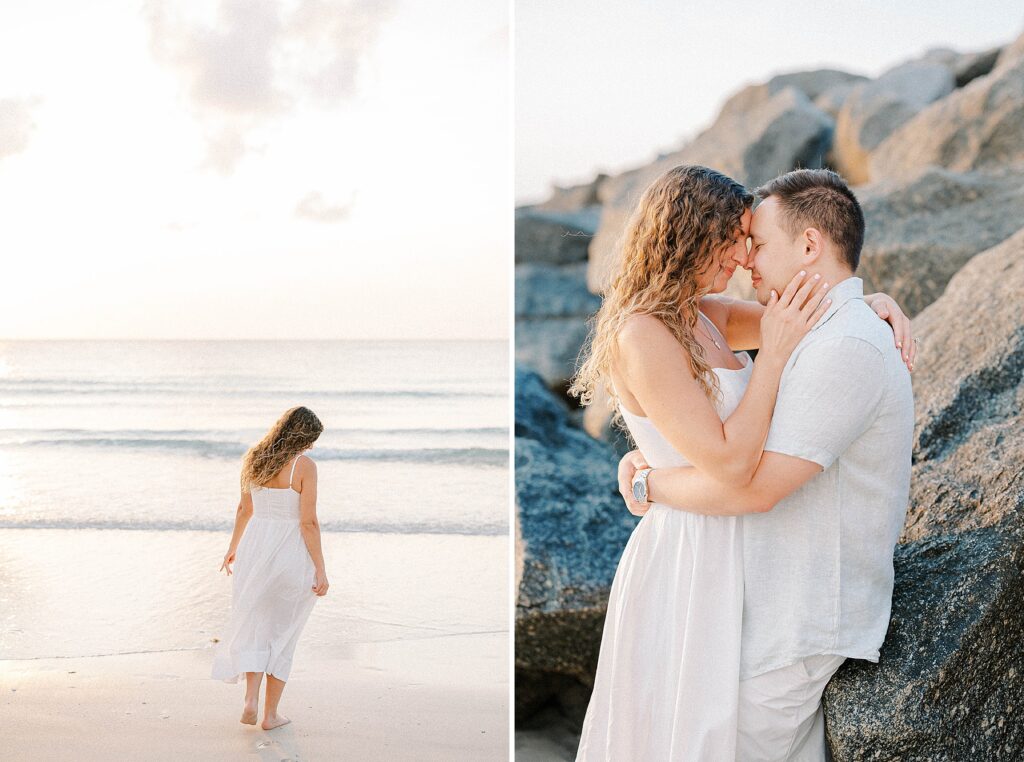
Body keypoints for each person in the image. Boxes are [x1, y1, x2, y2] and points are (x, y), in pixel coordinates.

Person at [569, 164, 914, 760]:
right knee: (683, 733)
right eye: (731, 239)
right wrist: (772, 361)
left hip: (735, 549)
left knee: (710, 733)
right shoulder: (642, 333)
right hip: (689, 550)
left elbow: (817, 318)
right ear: (686, 238)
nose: (741, 257)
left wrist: (870, 299)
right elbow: (731, 463)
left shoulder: (707, 313)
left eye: (749, 240)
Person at [211, 405, 330, 731]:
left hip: (254, 550)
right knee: (283, 633)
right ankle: (270, 715)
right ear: (304, 435)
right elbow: (308, 522)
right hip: (289, 553)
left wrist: (233, 548)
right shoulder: (304, 466)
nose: (311, 447)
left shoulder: (254, 457)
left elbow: (243, 509)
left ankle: (250, 700)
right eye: (311, 440)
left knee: (256, 626)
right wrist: (321, 569)